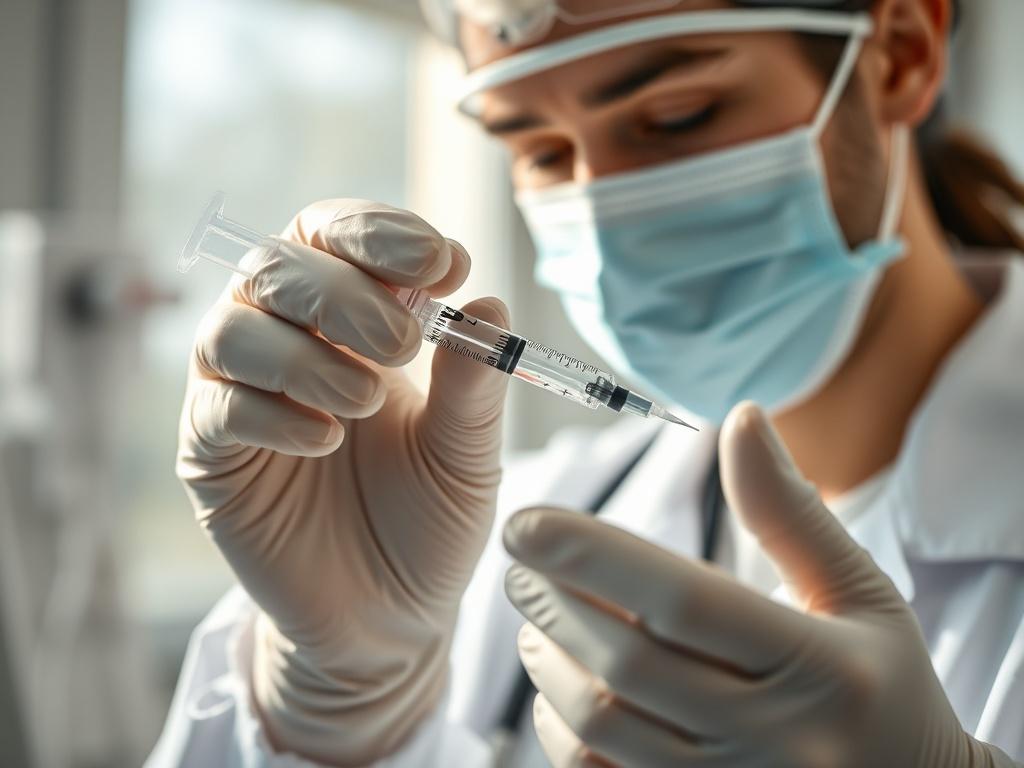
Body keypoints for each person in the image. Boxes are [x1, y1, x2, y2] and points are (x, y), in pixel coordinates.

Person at [147, 0, 1024, 765]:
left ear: (901, 51)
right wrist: (338, 706)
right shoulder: (504, 532)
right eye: (538, 148)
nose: (602, 207)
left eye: (677, 114)